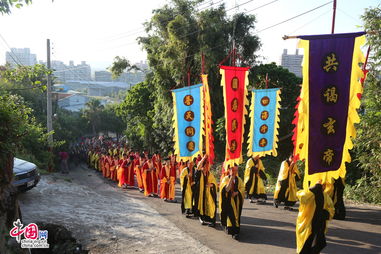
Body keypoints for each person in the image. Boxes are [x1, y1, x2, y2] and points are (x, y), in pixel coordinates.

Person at [296, 181, 334, 254]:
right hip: (308, 224)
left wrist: (326, 213)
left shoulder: (325, 195)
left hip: (320, 223)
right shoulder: (308, 193)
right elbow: (302, 197)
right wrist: (313, 188)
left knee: (320, 243)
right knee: (306, 244)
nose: (323, 186)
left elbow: (331, 208)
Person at [219, 164, 245, 240]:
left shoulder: (239, 179)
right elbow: (226, 189)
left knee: (236, 215)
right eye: (233, 170)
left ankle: (236, 230)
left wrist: (237, 193)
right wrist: (231, 179)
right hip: (228, 201)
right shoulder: (225, 179)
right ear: (229, 170)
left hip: (236, 201)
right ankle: (231, 230)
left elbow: (242, 189)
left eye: (236, 170)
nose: (235, 172)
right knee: (230, 215)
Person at [194, 155, 217, 227]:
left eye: (208, 165)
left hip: (209, 194)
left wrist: (211, 185)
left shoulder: (209, 174)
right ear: (202, 166)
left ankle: (212, 221)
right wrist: (203, 158)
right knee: (202, 207)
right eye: (206, 165)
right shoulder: (199, 173)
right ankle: (202, 218)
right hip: (201, 194)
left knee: (211, 206)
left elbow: (214, 183)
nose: (207, 167)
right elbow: (197, 167)